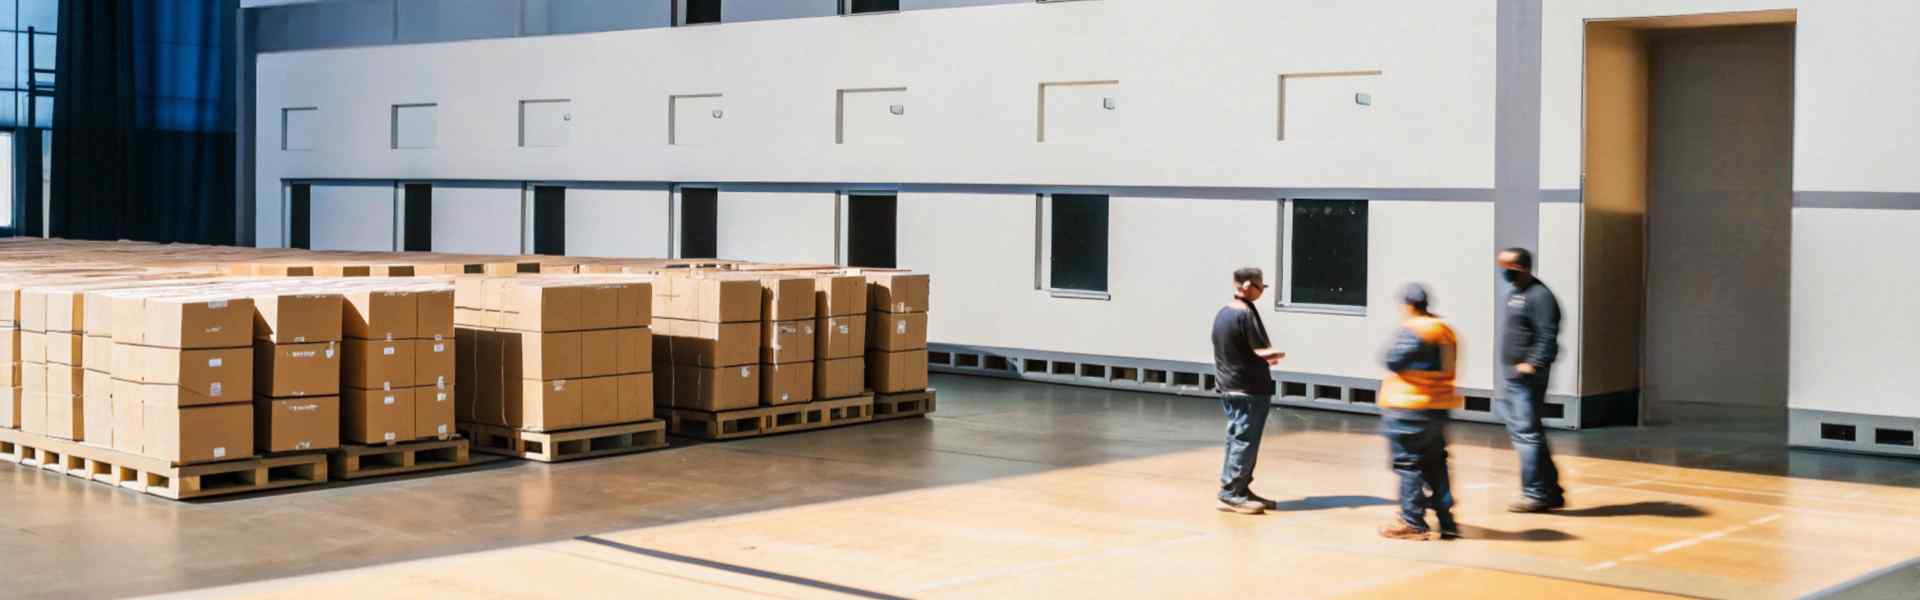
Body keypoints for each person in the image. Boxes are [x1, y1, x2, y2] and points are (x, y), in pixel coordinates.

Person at [1376, 284, 1461, 541]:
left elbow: (1392, 360)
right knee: (1436, 464)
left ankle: (1413, 522)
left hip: (1409, 408)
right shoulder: (1446, 331)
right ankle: (1447, 522)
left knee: (1408, 464)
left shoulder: (1415, 330)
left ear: (1408, 305)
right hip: (1438, 407)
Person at [1211, 267, 1285, 515]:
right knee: (1244, 440)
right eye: (1260, 287)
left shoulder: (1224, 313)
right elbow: (1260, 350)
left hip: (1231, 385)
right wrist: (1275, 355)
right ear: (1245, 286)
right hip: (1248, 388)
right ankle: (1232, 494)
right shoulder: (1244, 314)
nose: (1261, 292)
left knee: (1237, 438)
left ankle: (1238, 489)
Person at [1497, 248, 1566, 513]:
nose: (1504, 272)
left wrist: (1532, 364)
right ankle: (1552, 492)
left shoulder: (1540, 296)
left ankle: (1535, 493)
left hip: (1527, 378)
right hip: (1514, 376)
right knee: (1532, 434)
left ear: (1523, 267)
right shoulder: (1516, 293)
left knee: (1526, 436)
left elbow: (1548, 335)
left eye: (1508, 267)